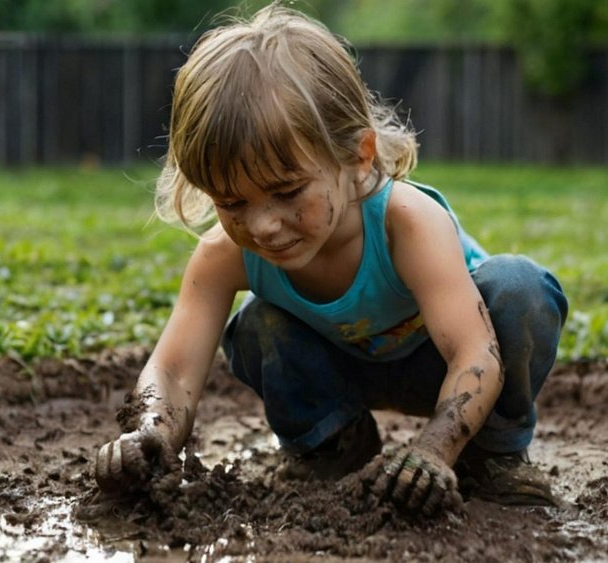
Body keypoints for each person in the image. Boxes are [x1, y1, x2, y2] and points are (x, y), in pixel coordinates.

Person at [94, 3, 568, 515]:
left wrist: (434, 450)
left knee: (520, 289)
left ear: (358, 155)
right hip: (340, 374)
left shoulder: (406, 221)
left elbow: (475, 351)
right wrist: (150, 432)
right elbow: (173, 369)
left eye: (287, 191)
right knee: (257, 326)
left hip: (447, 365)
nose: (263, 225)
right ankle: (333, 444)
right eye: (231, 202)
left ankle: (491, 454)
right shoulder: (225, 255)